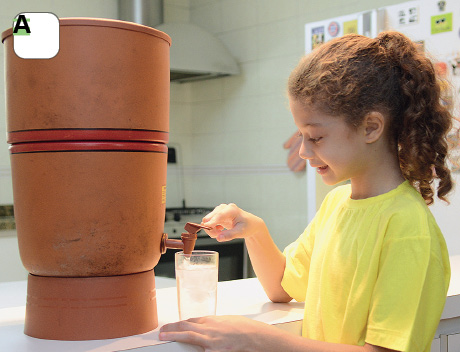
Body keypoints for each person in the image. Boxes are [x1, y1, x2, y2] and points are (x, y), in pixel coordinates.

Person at [159, 30, 453, 352]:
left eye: (315, 137)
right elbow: (283, 286)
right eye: (301, 136)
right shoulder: (338, 204)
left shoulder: (408, 229)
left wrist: (258, 339)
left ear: (370, 127)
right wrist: (254, 230)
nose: (303, 152)